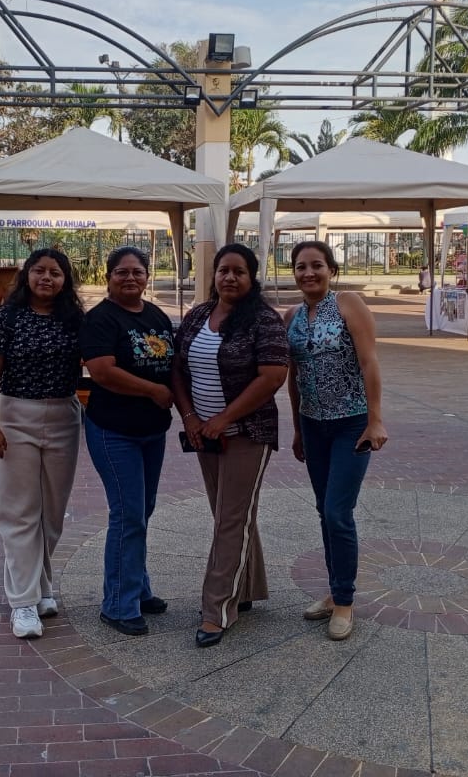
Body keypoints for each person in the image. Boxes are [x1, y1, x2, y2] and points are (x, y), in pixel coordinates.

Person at [171, 243, 288, 647]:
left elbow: (272, 377)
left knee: (229, 519)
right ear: (214, 274)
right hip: (205, 435)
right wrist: (190, 417)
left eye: (239, 271)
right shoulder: (198, 315)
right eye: (224, 270)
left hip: (247, 434)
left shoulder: (264, 320)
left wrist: (224, 418)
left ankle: (217, 610)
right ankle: (247, 588)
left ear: (252, 277)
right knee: (230, 515)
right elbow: (177, 368)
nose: (230, 277)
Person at [0, 248, 85, 640]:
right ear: (27, 276)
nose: (46, 278)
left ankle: (41, 586)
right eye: (39, 271)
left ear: (65, 280)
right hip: (14, 416)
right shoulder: (7, 317)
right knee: (19, 512)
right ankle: (22, 602)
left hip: (63, 417)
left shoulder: (75, 319)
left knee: (52, 515)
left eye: (55, 272)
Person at [285, 240, 388, 642]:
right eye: (300, 266)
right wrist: (297, 428)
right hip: (313, 426)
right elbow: (294, 378)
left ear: (331, 269)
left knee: (337, 512)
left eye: (317, 265)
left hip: (351, 424)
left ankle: (344, 600)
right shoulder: (292, 316)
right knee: (323, 511)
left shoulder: (348, 304)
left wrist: (375, 420)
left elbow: (369, 361)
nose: (308, 273)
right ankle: (333, 591)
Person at [80, 246, 175, 636]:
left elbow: (173, 363)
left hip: (152, 432)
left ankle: (137, 587)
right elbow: (102, 371)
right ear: (109, 277)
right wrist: (153, 390)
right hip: (114, 431)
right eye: (122, 272)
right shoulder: (100, 319)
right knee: (128, 513)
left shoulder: (156, 316)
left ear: (147, 276)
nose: (130, 278)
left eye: (137, 271)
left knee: (142, 511)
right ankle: (118, 603)